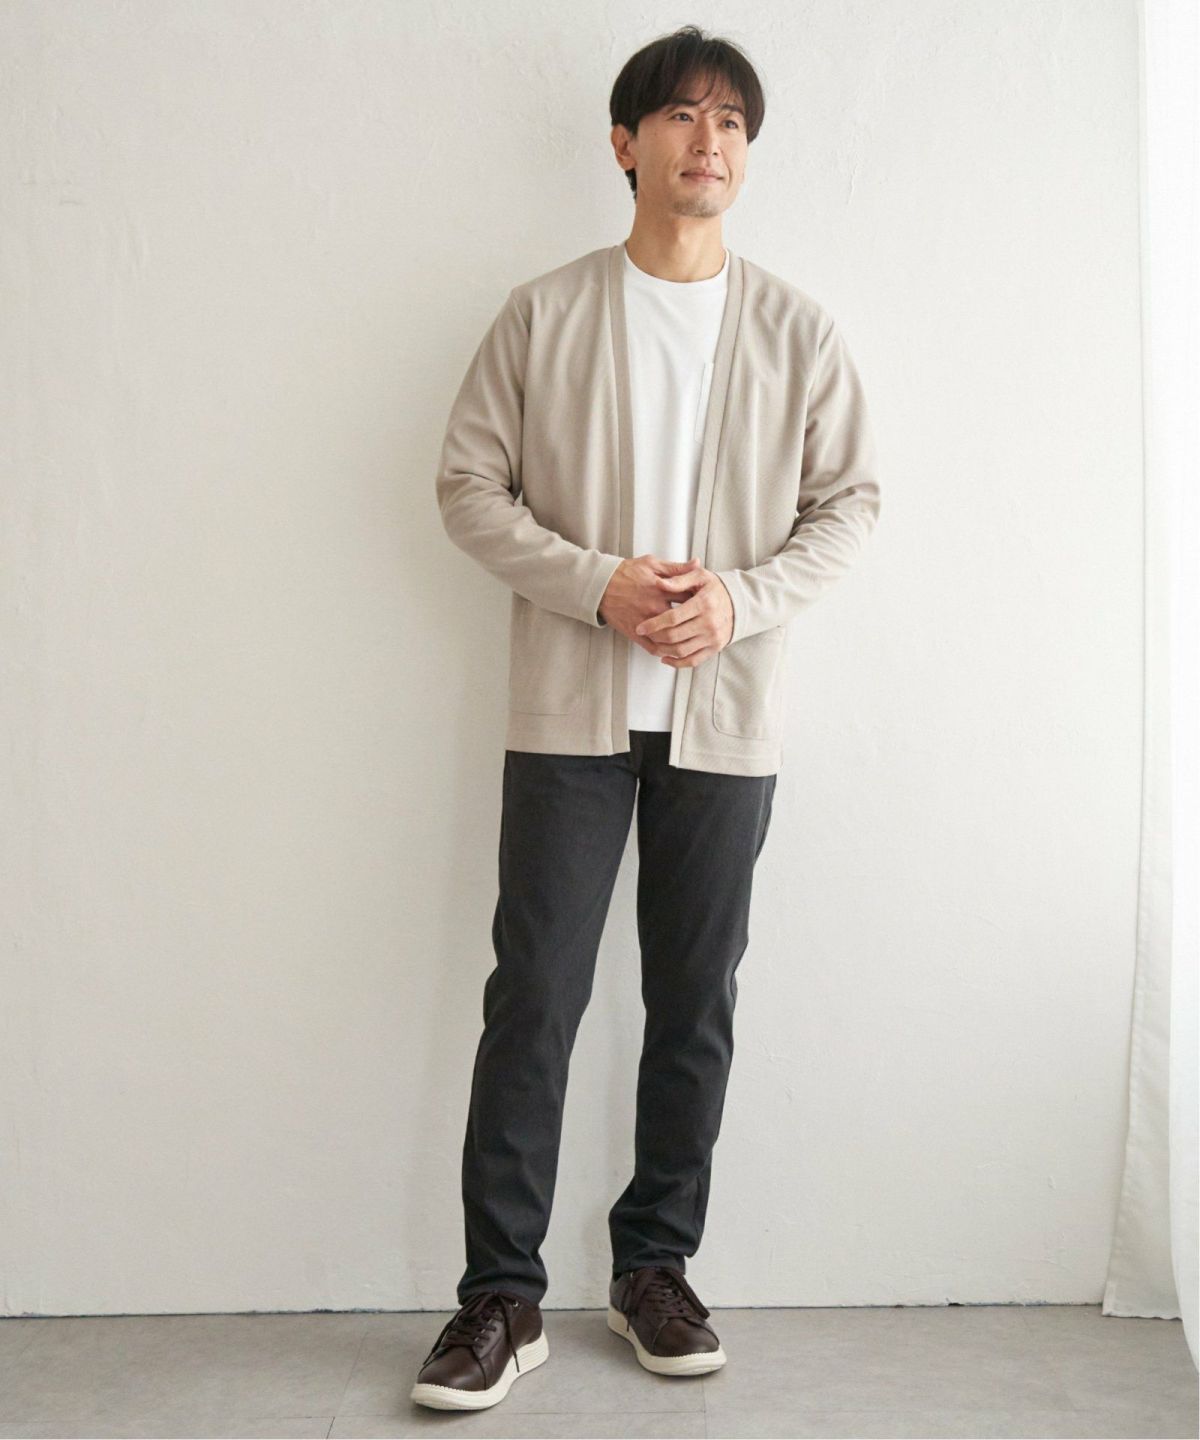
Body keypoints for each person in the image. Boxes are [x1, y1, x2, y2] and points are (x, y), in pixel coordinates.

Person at [411, 23, 881, 1412]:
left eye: (730, 121)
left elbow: (849, 506)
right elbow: (468, 485)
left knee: (694, 1004)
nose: (708, 141)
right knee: (535, 1000)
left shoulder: (797, 331)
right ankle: (501, 1298)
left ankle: (653, 1268)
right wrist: (596, 584)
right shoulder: (545, 314)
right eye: (680, 116)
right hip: (569, 719)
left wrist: (735, 600)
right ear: (625, 143)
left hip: (724, 727)